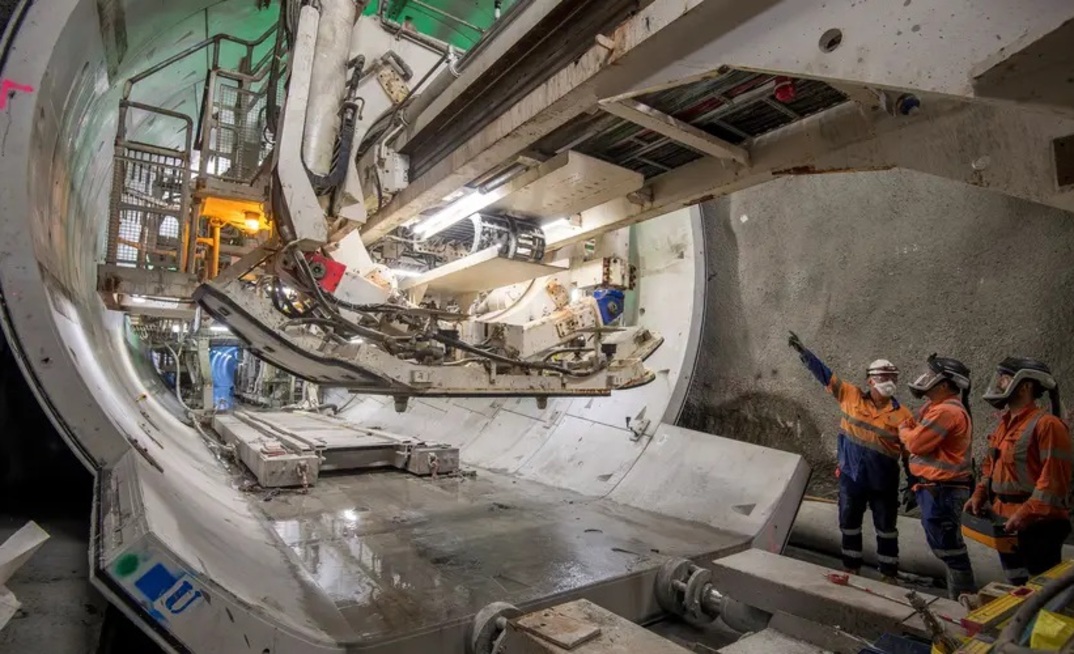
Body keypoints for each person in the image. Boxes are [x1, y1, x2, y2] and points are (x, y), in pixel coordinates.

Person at [789, 332, 912, 581]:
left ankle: (889, 574)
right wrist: (805, 354)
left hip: (883, 482)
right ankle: (850, 568)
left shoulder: (904, 415)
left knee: (886, 530)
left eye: (891, 377)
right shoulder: (850, 396)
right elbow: (825, 375)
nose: (887, 381)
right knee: (849, 524)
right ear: (870, 381)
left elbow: (910, 453)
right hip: (852, 476)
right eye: (882, 377)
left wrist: (914, 482)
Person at [965, 357, 1073, 586]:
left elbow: (1053, 480)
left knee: (1041, 590)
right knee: (1017, 584)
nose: (999, 383)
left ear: (1025, 386)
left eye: (1004, 378)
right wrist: (980, 493)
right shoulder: (1005, 423)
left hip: (1038, 525)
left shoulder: (1047, 425)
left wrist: (1025, 513)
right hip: (1006, 518)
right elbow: (991, 465)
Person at [899, 354, 976, 598]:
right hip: (935, 489)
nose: (927, 379)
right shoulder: (934, 407)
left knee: (951, 552)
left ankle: (963, 604)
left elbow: (916, 443)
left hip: (944, 490)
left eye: (933, 376)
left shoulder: (946, 411)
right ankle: (961, 601)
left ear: (944, 384)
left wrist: (903, 430)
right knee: (946, 549)